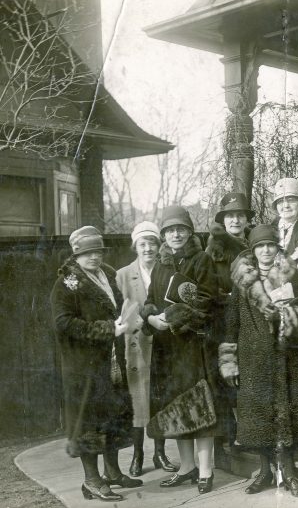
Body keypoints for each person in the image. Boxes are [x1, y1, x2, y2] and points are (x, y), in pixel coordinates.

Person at [219, 224, 298, 498]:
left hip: (285, 356)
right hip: (252, 358)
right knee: (258, 417)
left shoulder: (291, 275)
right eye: (260, 246)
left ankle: (289, 471)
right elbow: (231, 323)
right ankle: (264, 470)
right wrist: (230, 362)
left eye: (270, 245)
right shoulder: (242, 281)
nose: (266, 250)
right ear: (253, 251)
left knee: (286, 413)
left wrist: (285, 317)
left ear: (277, 247)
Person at [51, 226, 143, 502]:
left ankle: (112, 473)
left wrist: (129, 321)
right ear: (76, 255)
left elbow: (120, 308)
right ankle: (92, 480)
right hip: (84, 367)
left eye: (98, 252)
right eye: (88, 253)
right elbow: (63, 324)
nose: (94, 257)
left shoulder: (108, 275)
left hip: (110, 362)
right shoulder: (67, 283)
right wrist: (107, 329)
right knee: (89, 422)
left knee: (112, 417)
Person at [141, 205, 222, 494]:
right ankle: (186, 467)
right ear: (163, 234)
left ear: (189, 232)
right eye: (170, 230)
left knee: (198, 406)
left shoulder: (201, 260)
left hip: (191, 346)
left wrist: (173, 318)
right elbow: (150, 298)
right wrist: (151, 317)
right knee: (175, 408)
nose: (175, 234)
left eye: (181, 229)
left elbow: (207, 301)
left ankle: (205, 470)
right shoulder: (161, 264)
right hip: (166, 349)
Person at [116, 221, 177, 477]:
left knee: (160, 399)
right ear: (135, 247)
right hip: (136, 343)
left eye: (152, 243)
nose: (148, 248)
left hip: (164, 343)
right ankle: (138, 454)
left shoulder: (168, 270)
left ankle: (160, 453)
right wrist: (137, 319)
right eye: (143, 244)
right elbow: (119, 310)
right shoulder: (123, 275)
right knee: (138, 398)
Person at [205, 192, 254, 445]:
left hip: (254, 318)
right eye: (230, 216)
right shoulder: (214, 249)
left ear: (247, 219)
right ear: (223, 221)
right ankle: (233, 433)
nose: (235, 220)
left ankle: (251, 428)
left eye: (240, 215)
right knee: (229, 373)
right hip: (225, 319)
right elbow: (207, 285)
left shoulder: (255, 243)